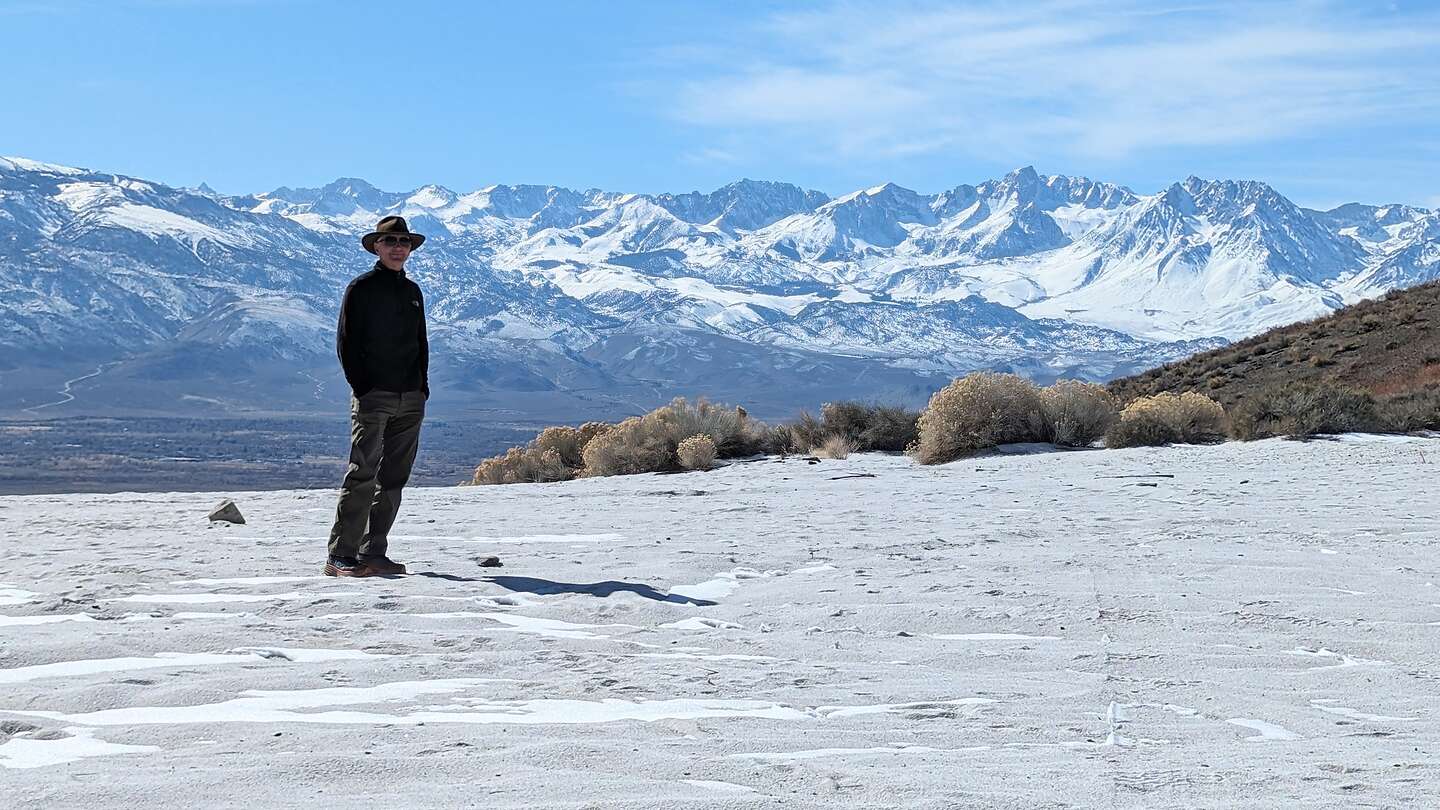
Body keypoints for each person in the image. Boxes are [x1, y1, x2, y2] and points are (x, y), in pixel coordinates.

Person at [324, 216, 430, 577]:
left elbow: (420, 344)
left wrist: (422, 388)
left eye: (404, 241)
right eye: (391, 241)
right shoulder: (361, 289)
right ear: (377, 247)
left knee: (394, 479)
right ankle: (341, 555)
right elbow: (346, 344)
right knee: (362, 473)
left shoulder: (412, 291)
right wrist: (363, 388)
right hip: (374, 397)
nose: (399, 247)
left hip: (411, 398)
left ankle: (373, 552)